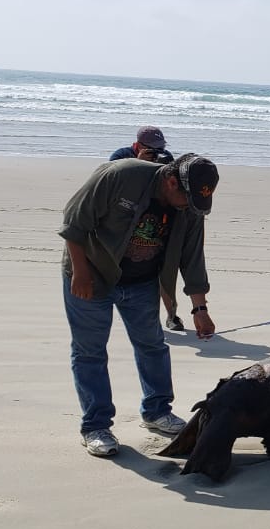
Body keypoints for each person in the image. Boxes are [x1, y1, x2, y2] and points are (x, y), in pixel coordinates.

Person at [60, 152, 220, 457]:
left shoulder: (191, 208)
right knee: (90, 351)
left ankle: (157, 411)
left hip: (142, 282)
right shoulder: (121, 176)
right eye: (187, 200)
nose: (190, 208)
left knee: (152, 345)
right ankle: (95, 426)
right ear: (172, 181)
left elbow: (192, 257)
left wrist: (200, 309)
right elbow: (74, 222)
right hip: (91, 275)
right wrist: (79, 272)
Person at [108, 126, 184, 329]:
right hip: (129, 222)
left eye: (161, 147)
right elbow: (114, 185)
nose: (158, 152)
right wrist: (140, 163)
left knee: (163, 271)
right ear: (138, 145)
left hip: (157, 219)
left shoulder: (165, 157)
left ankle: (172, 315)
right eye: (153, 149)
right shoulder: (122, 156)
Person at [109, 125, 174, 164]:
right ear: (139, 145)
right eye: (152, 148)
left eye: (161, 147)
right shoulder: (121, 155)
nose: (157, 151)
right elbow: (112, 177)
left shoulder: (165, 155)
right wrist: (138, 162)